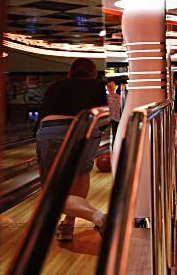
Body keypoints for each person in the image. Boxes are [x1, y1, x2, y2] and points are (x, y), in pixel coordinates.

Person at [36, 58, 107, 241]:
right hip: (87, 132)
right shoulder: (98, 85)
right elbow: (105, 118)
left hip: (52, 130)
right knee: (81, 174)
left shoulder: (55, 86)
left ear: (70, 73)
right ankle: (68, 225)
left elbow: (43, 114)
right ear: (94, 74)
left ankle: (98, 217)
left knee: (52, 194)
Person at [107, 81, 122, 146]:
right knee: (115, 135)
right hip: (116, 117)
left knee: (108, 135)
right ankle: (114, 147)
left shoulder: (106, 97)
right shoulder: (119, 97)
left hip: (108, 118)